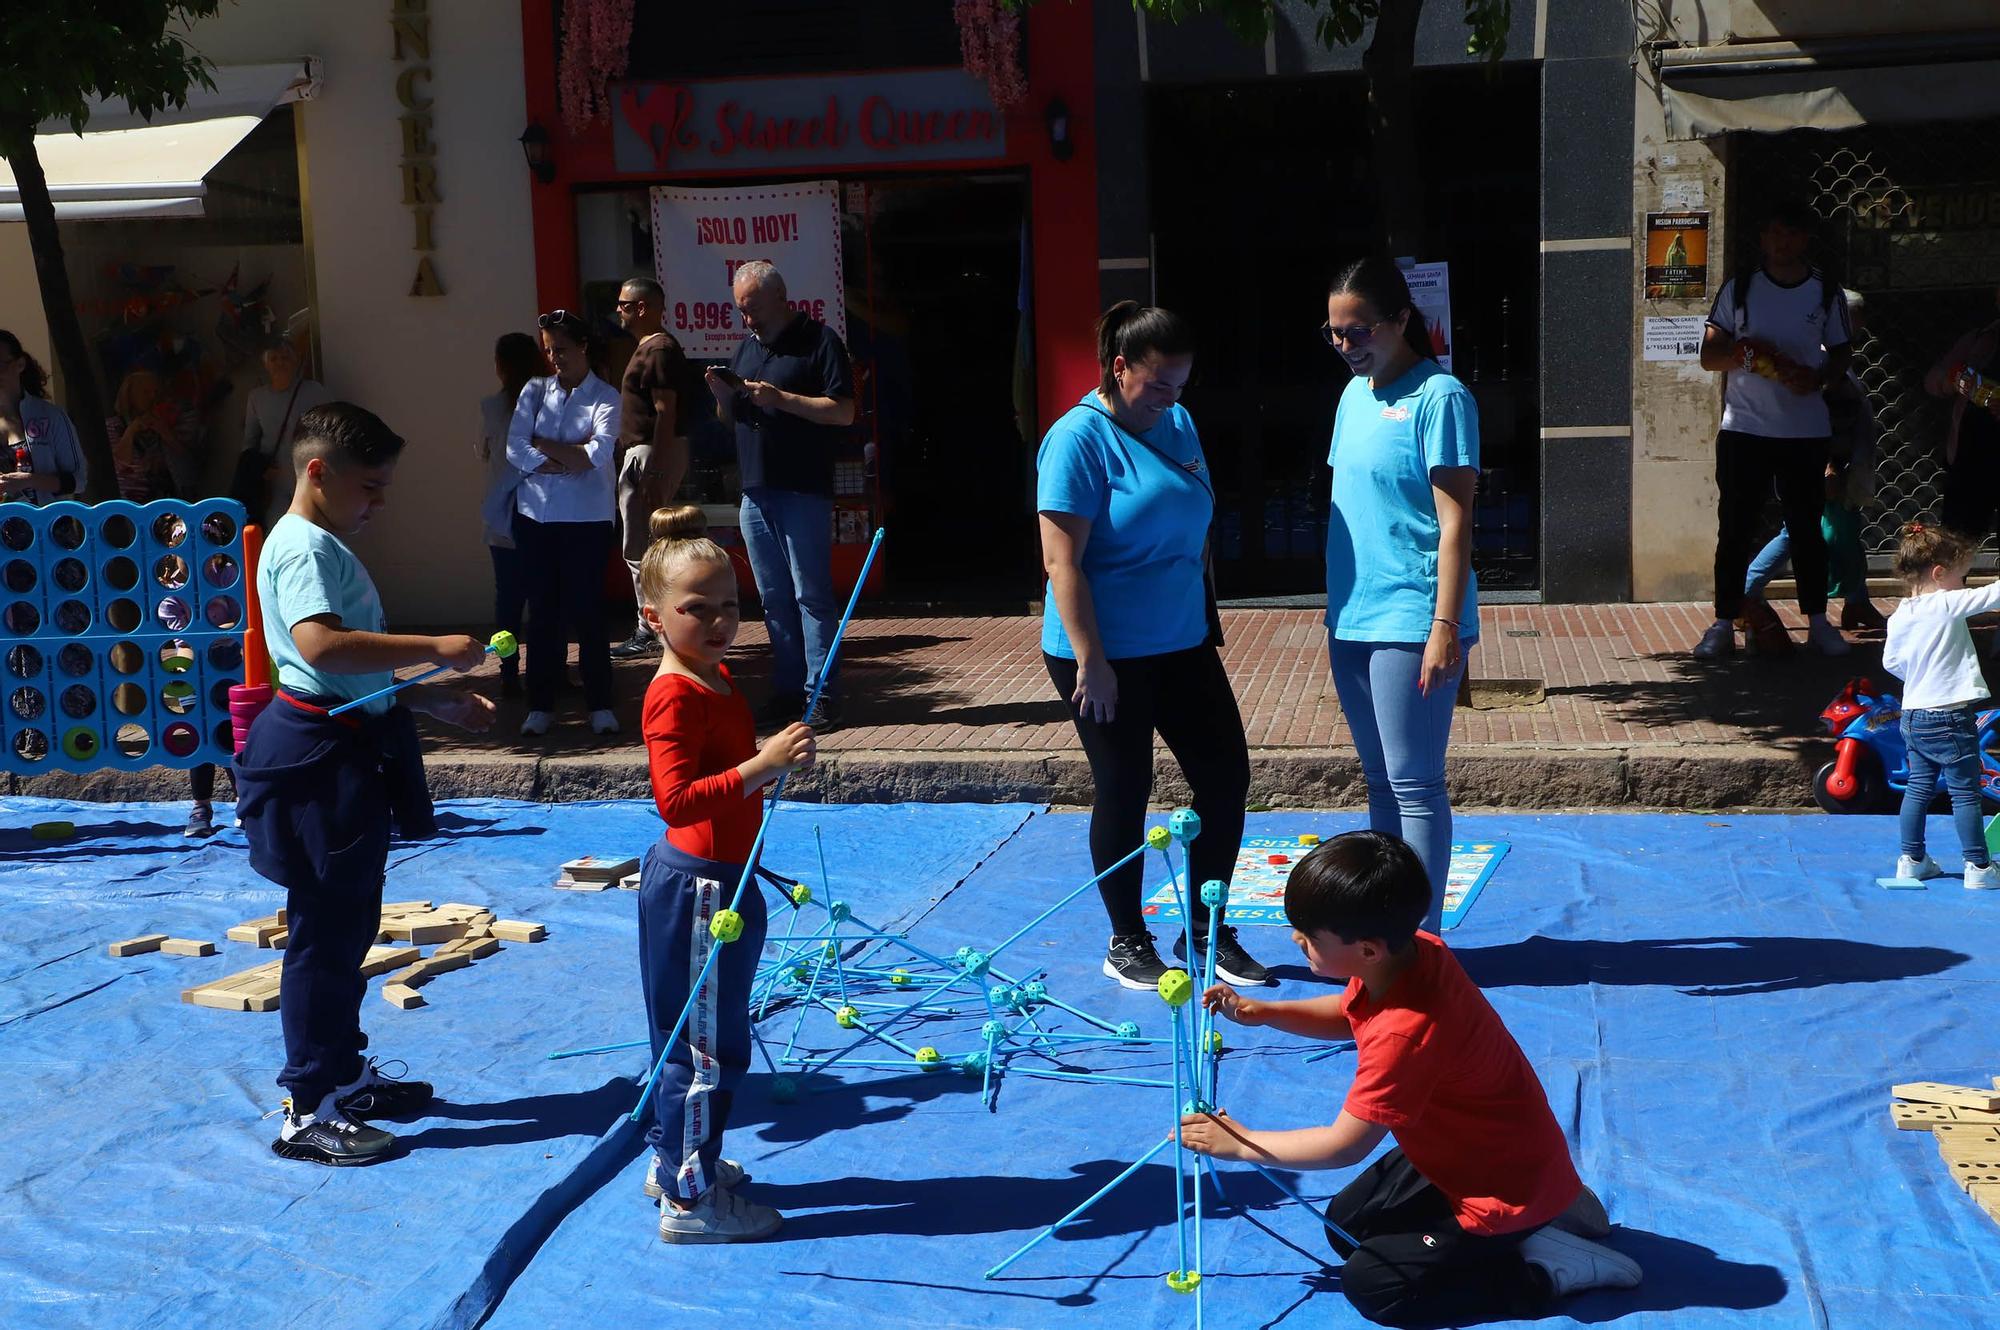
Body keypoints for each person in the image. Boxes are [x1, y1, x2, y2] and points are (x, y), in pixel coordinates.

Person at [1180, 831, 1642, 1326]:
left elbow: (1343, 1147)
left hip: (1498, 1180)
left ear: (1369, 950)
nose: (1297, 940)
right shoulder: (1416, 952)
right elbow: (1351, 1010)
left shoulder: (1405, 1035)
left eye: (1310, 936)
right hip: (1477, 1148)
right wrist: (1269, 1012)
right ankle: (1548, 1206)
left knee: (1375, 1287)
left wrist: (1243, 1142)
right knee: (1346, 1227)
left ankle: (1544, 1267)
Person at [232, 401, 496, 1165]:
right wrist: (436, 647)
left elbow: (340, 672)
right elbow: (322, 646)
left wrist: (423, 695)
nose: (379, 502)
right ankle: (308, 1105)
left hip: (340, 739)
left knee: (350, 921)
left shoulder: (320, 541)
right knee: (323, 929)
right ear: (318, 473)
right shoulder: (305, 547)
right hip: (316, 757)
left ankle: (343, 1074)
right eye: (371, 487)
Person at [1038, 301, 1268, 991]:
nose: (1170, 399)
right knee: (1125, 785)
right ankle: (1127, 938)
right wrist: (1093, 663)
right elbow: (1061, 563)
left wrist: (1203, 610)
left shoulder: (1178, 421)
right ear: (1118, 368)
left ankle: (1205, 929)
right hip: (1102, 651)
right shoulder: (1077, 439)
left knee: (1226, 777)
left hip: (1181, 641)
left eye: (1180, 385)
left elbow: (1193, 519)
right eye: (1158, 384)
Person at [634, 504, 815, 1241]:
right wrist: (760, 766)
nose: (717, 622)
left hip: (726, 883)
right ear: (653, 616)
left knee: (704, 1038)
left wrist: (764, 769)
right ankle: (690, 1200)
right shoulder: (673, 693)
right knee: (703, 1047)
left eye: (730, 606)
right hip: (698, 888)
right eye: (696, 609)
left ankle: (673, 1157)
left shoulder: (716, 676)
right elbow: (674, 799)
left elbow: (727, 775)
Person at [1321, 257, 1478, 934]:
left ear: (1400, 321)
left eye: (1359, 332)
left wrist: (1444, 623)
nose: (1346, 346)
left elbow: (1455, 521)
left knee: (1414, 784)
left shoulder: (1440, 398)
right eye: (1334, 333)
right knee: (1380, 783)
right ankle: (1389, 928)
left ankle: (1424, 938)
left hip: (1412, 616)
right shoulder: (1353, 396)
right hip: (1352, 617)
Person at [1694, 198, 1853, 660]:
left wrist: (1821, 376)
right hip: (1744, 429)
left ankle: (1819, 622)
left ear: (1805, 239)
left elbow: (1843, 351)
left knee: (1807, 528)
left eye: (1792, 233)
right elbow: (1709, 355)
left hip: (1805, 432)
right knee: (1735, 528)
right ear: (1763, 240)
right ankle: (1723, 623)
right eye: (1774, 234)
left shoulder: (1825, 292)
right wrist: (1745, 356)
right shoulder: (1740, 288)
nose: (1782, 243)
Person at [705, 260, 855, 730]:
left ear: (779, 297)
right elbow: (733, 420)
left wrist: (783, 399)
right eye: (739, 310)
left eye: (751, 308)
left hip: (801, 486)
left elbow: (844, 411)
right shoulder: (746, 348)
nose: (746, 319)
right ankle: (789, 689)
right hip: (756, 487)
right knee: (773, 597)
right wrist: (724, 397)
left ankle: (822, 693)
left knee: (811, 594)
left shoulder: (820, 341)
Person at [1739, 289, 1886, 650]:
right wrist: (1828, 466)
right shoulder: (1818, 358)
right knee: (1800, 532)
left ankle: (1856, 601)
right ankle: (1745, 591)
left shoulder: (1835, 356)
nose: (1860, 323)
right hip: (1821, 464)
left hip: (1838, 463)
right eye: (1855, 315)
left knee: (1845, 528)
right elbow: (1815, 414)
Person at [507, 309, 621, 737]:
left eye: (563, 349)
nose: (556, 358)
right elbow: (515, 448)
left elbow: (597, 455)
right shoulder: (534, 390)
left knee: (588, 611)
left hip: (586, 519)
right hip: (536, 516)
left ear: (584, 347)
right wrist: (556, 460)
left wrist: (546, 449)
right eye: (550, 350)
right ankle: (540, 704)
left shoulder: (605, 395)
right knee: (542, 614)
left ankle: (601, 705)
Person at [1881, 524, 2000, 890]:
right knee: (1965, 792)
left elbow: (1892, 663)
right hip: (1949, 715)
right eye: (1961, 577)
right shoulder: (1946, 604)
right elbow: (1994, 596)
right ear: (1939, 574)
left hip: (1914, 715)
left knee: (1919, 787)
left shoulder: (1900, 614)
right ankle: (1978, 866)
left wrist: (1921, 675)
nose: (1963, 585)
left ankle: (1911, 860)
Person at [611, 276, 701, 660]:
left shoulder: (659, 349)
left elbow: (667, 411)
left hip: (650, 454)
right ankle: (658, 624)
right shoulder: (651, 348)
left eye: (624, 304)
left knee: (642, 549)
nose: (619, 310)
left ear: (642, 308)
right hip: (648, 454)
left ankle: (650, 628)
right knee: (647, 547)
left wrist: (656, 471)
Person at [477, 332, 545, 698]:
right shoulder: (547, 404)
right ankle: (546, 670)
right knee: (544, 597)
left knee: (508, 599)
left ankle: (507, 672)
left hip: (504, 513)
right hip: (543, 512)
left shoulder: (491, 407)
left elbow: (483, 452)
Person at [1924, 285, 2000, 543]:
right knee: (1957, 541)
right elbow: (1933, 379)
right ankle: (1952, 583)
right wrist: (1954, 380)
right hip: (1971, 459)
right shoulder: (1980, 338)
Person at [241, 340, 332, 528]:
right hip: (273, 478)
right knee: (277, 527)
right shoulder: (256, 397)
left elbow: (330, 432)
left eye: (285, 358)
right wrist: (259, 469)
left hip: (309, 474)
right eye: (274, 359)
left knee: (312, 526)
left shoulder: (314, 391)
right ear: (266, 365)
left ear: (295, 361)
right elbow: (250, 441)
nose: (280, 363)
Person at [0, 329, 87, 505]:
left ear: (20, 364)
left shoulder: (51, 416)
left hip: (48, 527)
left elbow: (78, 481)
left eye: (0, 365)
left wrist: (29, 480)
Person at [107, 369, 180, 501]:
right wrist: (131, 432)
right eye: (145, 392)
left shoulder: (162, 425)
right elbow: (119, 466)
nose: (152, 397)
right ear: (130, 396)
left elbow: (185, 467)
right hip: (129, 504)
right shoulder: (113, 426)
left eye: (155, 392)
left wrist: (165, 433)